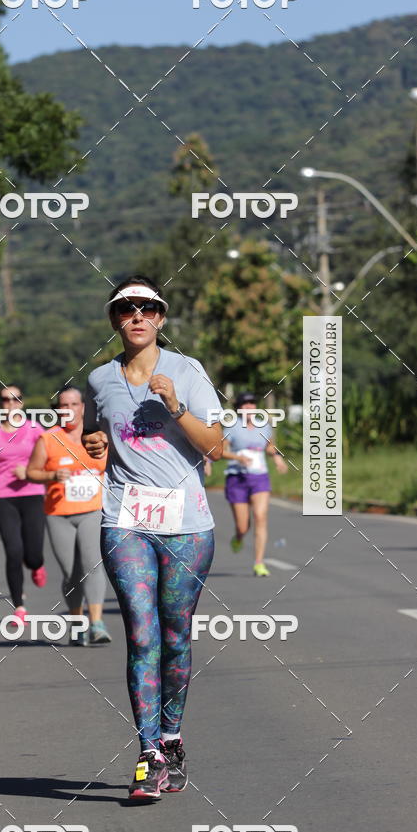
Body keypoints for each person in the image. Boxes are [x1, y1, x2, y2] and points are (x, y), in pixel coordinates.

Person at [82, 274, 223, 800]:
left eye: (147, 308)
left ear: (160, 318)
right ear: (115, 320)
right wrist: (93, 441)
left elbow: (218, 448)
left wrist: (176, 407)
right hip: (126, 518)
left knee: (174, 635)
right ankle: (149, 755)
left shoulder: (187, 372)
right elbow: (93, 432)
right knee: (141, 633)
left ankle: (172, 735)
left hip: (187, 523)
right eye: (126, 309)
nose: (136, 316)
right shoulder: (100, 380)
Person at [26, 385, 111, 647]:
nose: (68, 410)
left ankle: (96, 623)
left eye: (74, 404)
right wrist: (52, 475)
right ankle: (77, 622)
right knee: (71, 573)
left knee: (92, 563)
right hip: (58, 514)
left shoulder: (98, 437)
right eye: (63, 405)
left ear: (83, 408)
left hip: (92, 510)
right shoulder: (48, 439)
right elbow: (31, 472)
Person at [0, 385, 46, 623]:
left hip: (33, 494)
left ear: (22, 403)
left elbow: (49, 458)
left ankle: (37, 566)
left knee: (34, 554)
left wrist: (29, 471)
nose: (10, 404)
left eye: (15, 399)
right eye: (5, 400)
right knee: (13, 551)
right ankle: (19, 606)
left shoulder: (36, 429)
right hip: (5, 498)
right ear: (0, 404)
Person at [223, 391, 288, 577]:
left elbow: (269, 446)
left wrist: (277, 458)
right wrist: (237, 457)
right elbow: (221, 450)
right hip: (237, 478)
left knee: (260, 517)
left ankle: (259, 563)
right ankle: (239, 537)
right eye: (245, 404)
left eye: (252, 403)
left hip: (259, 477)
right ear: (239, 408)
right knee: (243, 526)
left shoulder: (264, 425)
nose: (249, 407)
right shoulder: (231, 426)